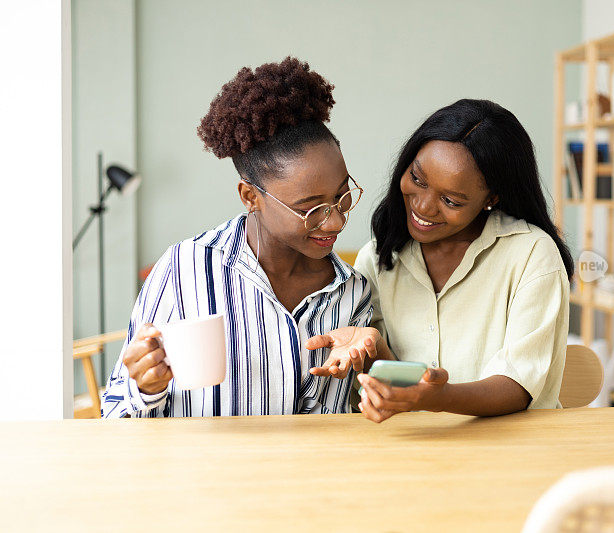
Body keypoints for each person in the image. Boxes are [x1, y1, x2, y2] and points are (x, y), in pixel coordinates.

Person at [102, 57, 374, 418]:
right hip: (208, 473)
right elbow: (115, 416)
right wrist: (145, 388)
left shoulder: (352, 292)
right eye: (311, 209)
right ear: (251, 197)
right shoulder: (184, 270)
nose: (336, 221)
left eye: (342, 196)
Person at [308, 99, 574, 423]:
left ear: (491, 198)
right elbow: (400, 387)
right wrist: (375, 349)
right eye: (417, 180)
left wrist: (439, 398)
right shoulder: (379, 259)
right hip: (416, 453)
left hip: (511, 456)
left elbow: (518, 386)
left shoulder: (531, 254)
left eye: (450, 200)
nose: (423, 207)